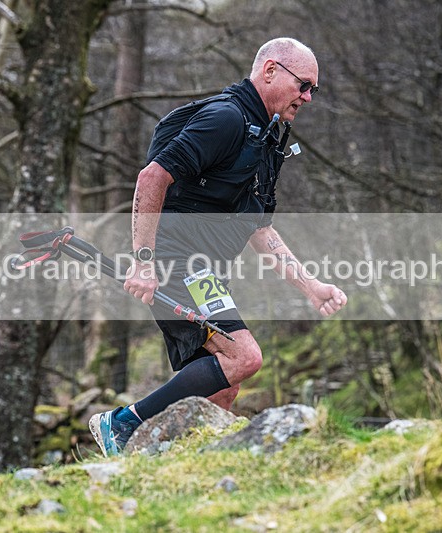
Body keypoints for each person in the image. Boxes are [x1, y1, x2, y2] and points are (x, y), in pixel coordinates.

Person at [89, 37, 347, 456]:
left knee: (224, 390)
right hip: (174, 260)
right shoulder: (226, 119)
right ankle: (120, 424)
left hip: (203, 270)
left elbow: (259, 230)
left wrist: (311, 286)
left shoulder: (265, 139)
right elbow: (151, 179)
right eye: (304, 85)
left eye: (313, 89)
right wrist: (143, 262)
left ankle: (170, 470)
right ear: (269, 71)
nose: (308, 97)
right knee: (243, 357)